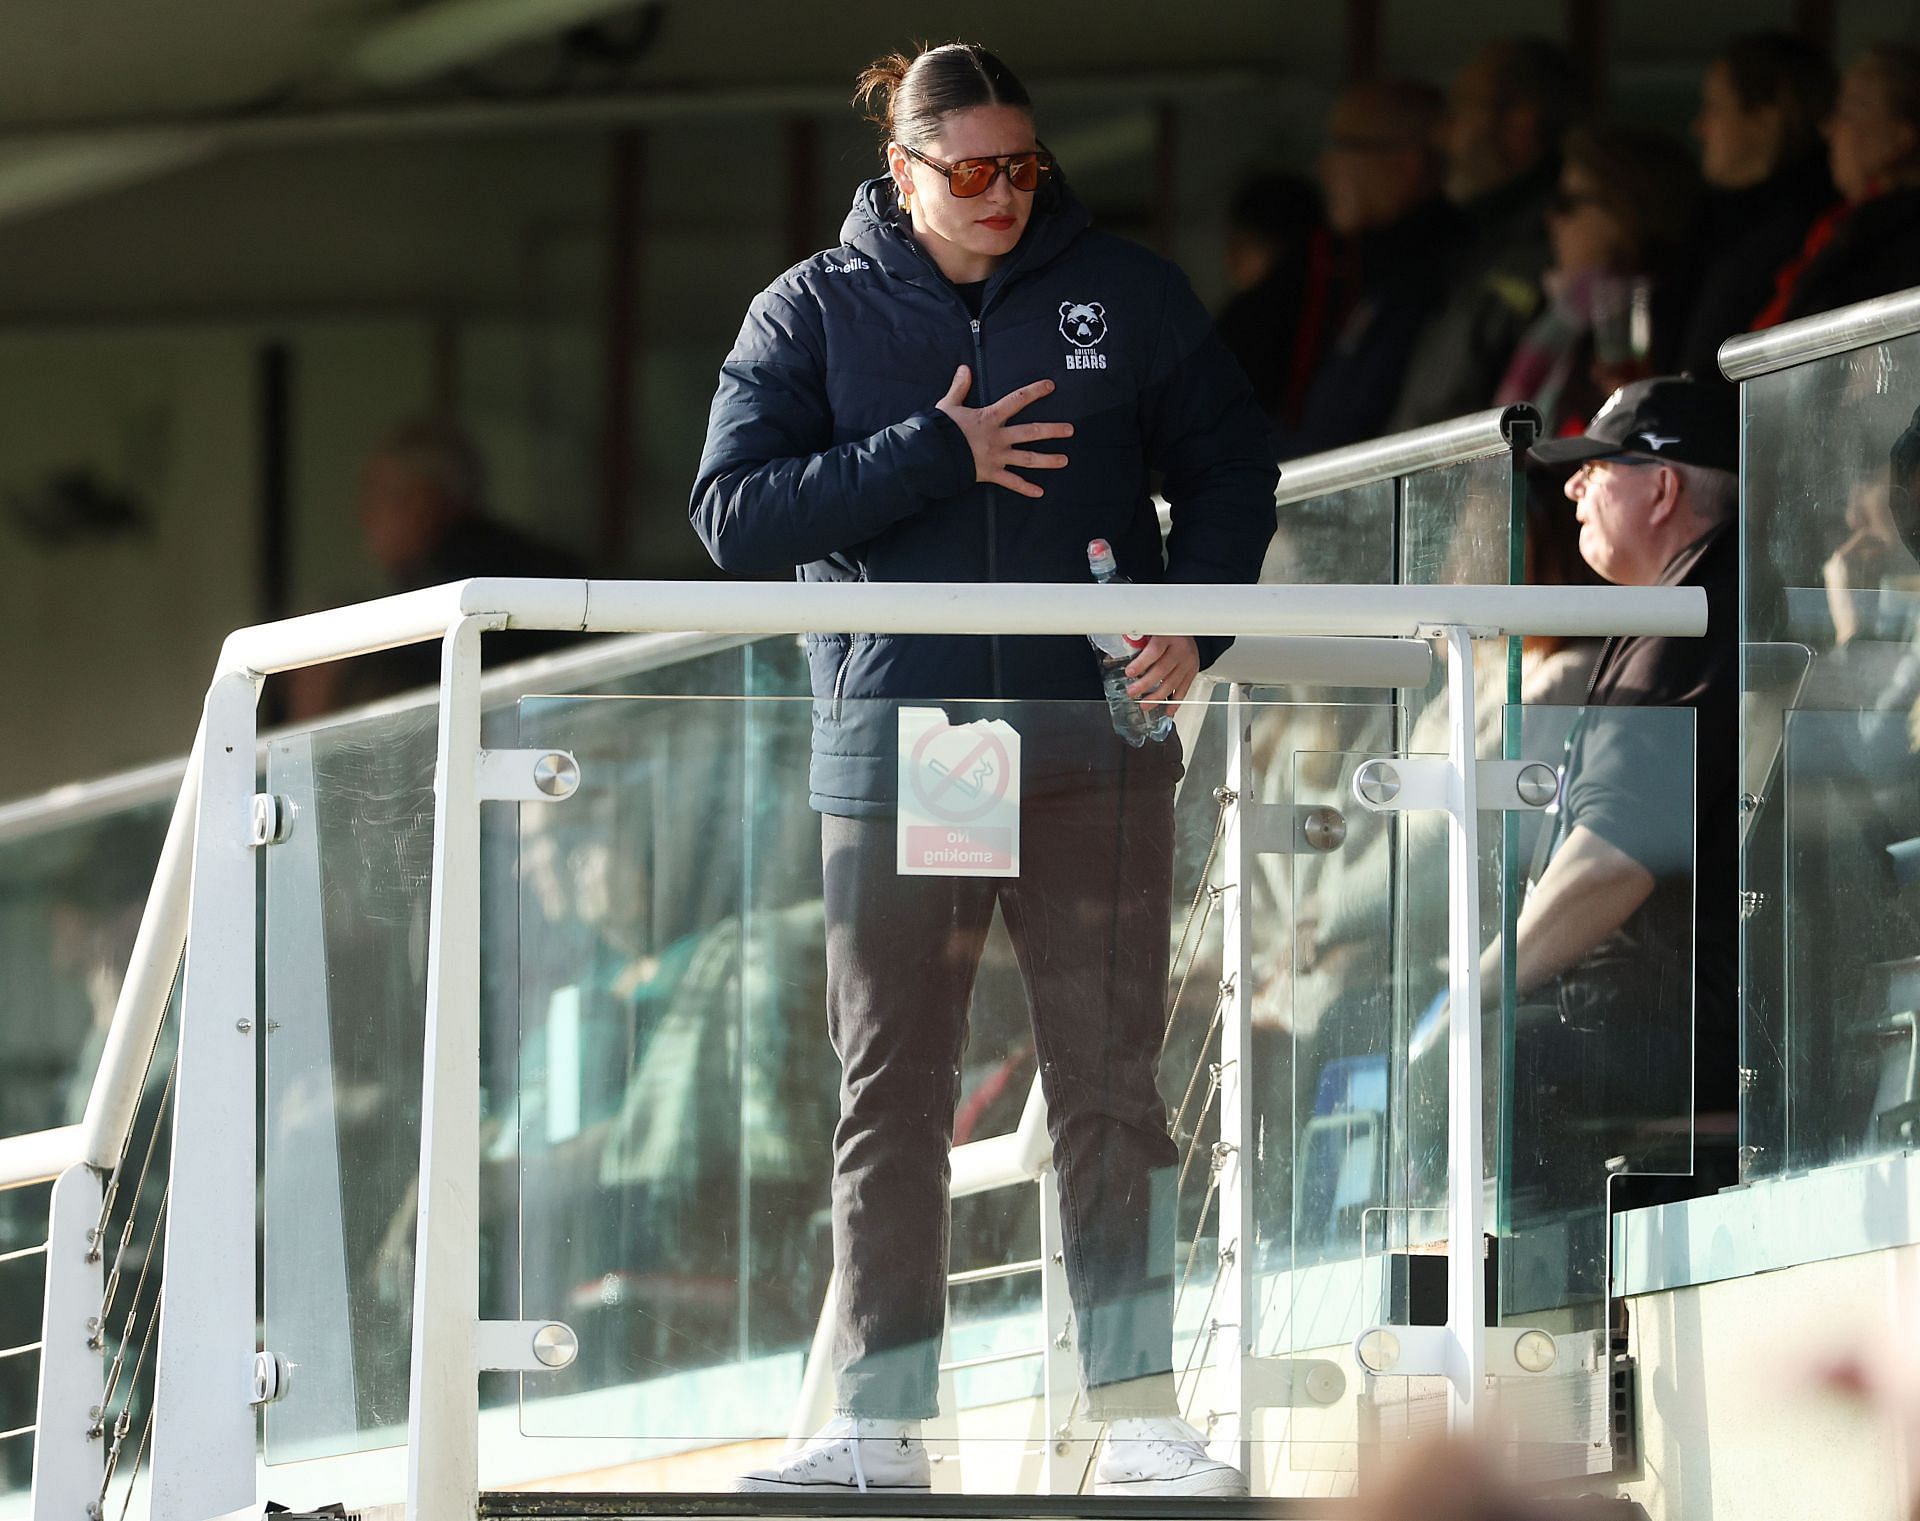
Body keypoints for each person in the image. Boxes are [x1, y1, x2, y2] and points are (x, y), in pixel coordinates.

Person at [688, 42, 1277, 1497]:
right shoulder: (813, 308)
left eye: (1026, 165)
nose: (1005, 192)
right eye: (971, 170)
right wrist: (930, 453)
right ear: (902, 168)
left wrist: (1193, 626)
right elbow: (730, 514)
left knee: (1109, 1079)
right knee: (898, 1083)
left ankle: (1138, 1412)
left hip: (1093, 741)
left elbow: (1231, 469)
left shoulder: (1123, 292)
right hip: (926, 743)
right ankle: (884, 1419)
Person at [1512, 377, 1740, 1224]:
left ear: (1664, 486)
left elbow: (1616, 857)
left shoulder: (1697, 614)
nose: (1571, 487)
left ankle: (1537, 1316)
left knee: (1483, 1055)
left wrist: (1474, 993)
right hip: (1670, 1007)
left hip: (1690, 1024)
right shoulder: (1680, 602)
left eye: (1597, 468)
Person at [280, 418, 586, 716]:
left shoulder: (470, 580)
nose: (364, 516)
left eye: (379, 494)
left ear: (423, 499)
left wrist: (341, 662)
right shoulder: (486, 562)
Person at [1389, 38, 1590, 431]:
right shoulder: (1473, 242)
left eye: (1459, 111)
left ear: (1520, 123)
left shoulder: (1553, 246)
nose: (1442, 136)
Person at [1273, 78, 1459, 459]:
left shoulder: (1433, 280)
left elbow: (1348, 439)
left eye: (1345, 147)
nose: (1324, 169)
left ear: (1409, 162)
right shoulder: (1371, 271)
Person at [1494, 128, 1704, 437]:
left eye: (1567, 203)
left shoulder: (1658, 316)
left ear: (1627, 211)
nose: (1551, 218)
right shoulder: (1561, 312)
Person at [1678, 32, 1837, 378]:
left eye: (1714, 108)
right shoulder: (1715, 226)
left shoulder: (1811, 231)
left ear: (1767, 118)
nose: (1699, 127)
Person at [1754, 43, 1920, 329]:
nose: (1828, 129)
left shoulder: (1893, 242)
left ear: (1900, 138)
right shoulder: (1840, 226)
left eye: (1847, 111)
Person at [1213, 172, 1335, 429]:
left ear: (1282, 248)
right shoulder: (1338, 301)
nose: (1231, 258)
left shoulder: (1251, 321)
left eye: (1248, 244)